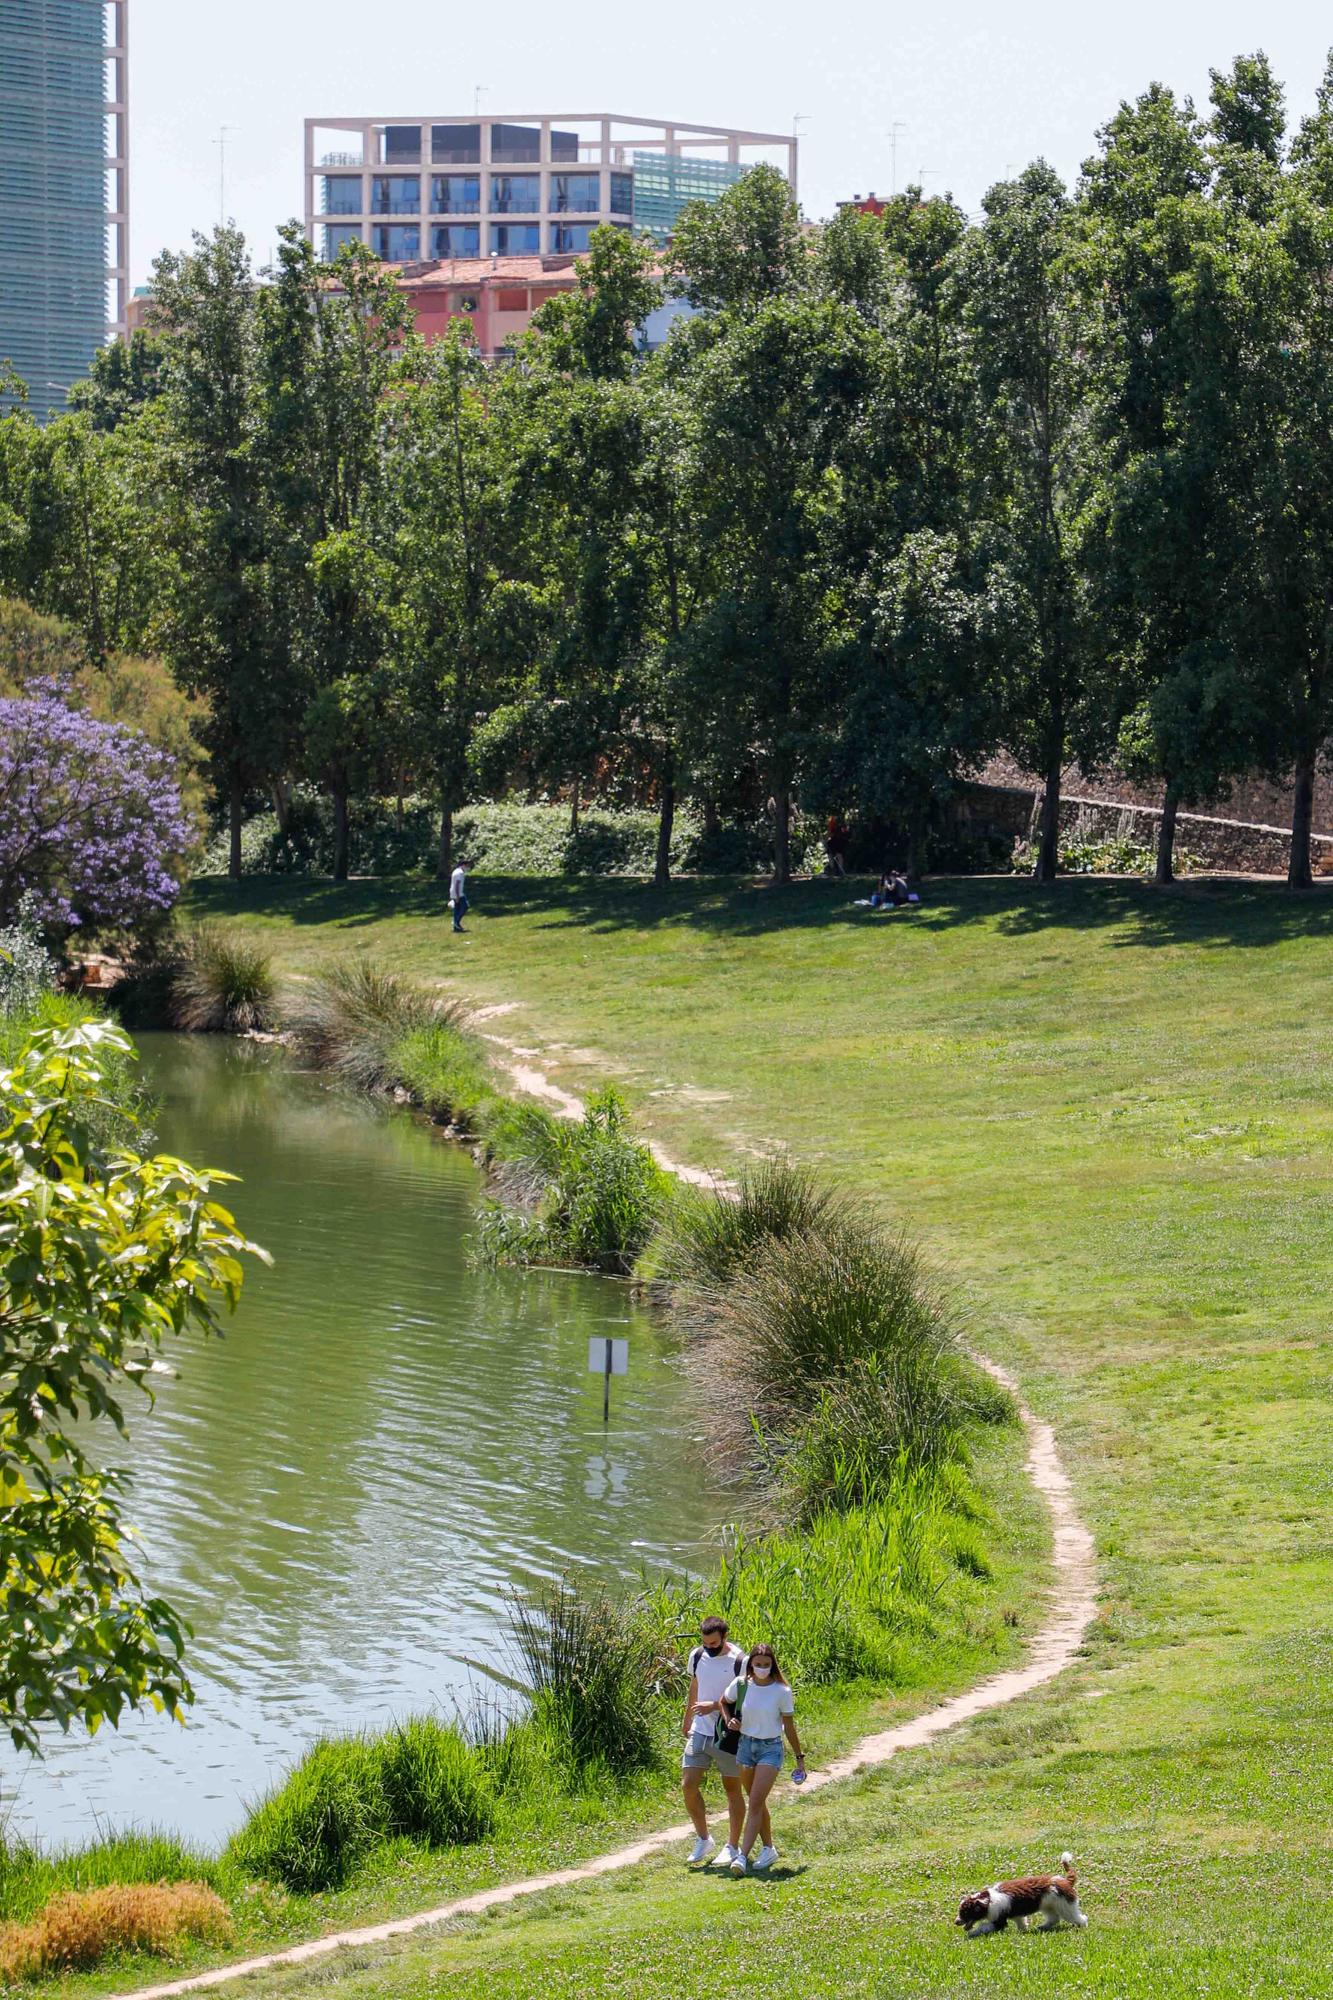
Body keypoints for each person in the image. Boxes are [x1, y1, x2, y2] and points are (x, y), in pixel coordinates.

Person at [680, 1615, 774, 1868]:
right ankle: (703, 1838)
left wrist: (715, 1705)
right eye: (705, 1643)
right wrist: (686, 1718)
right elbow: (695, 1686)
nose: (709, 1649)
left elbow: (748, 1695)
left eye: (714, 1644)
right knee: (688, 1785)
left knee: (732, 1790)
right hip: (700, 1730)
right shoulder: (697, 1656)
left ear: (725, 1637)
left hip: (728, 1735)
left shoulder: (740, 1661)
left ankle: (732, 1847)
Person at [721, 1642, 805, 1875]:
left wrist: (799, 1757)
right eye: (758, 1665)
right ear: (750, 1666)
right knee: (757, 1801)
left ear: (773, 1665)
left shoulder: (781, 1691)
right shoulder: (741, 1685)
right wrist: (730, 1721)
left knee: (755, 1802)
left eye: (766, 1665)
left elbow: (789, 1726)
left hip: (771, 1748)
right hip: (746, 1746)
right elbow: (723, 1702)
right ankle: (768, 1848)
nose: (762, 1669)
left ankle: (742, 1857)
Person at [448, 858, 469, 934]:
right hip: (458, 894)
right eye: (467, 866)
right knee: (465, 906)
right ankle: (456, 921)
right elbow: (457, 884)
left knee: (457, 909)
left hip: (456, 893)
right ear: (463, 865)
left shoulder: (456, 871)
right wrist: (457, 896)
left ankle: (456, 926)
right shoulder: (459, 873)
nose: (467, 868)